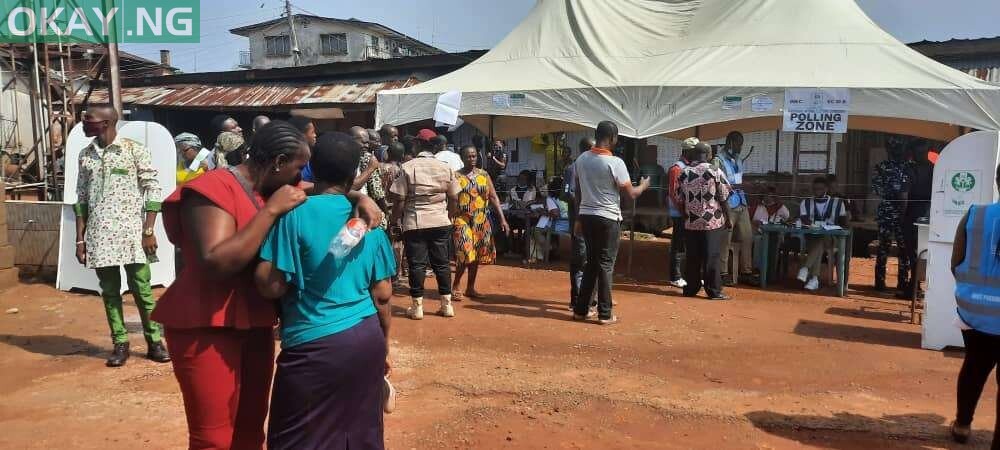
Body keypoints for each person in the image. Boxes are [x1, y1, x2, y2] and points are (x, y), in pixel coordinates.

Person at [151, 121, 381, 449]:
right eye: (299, 168)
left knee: (250, 427)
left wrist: (357, 195)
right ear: (277, 163)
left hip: (253, 320)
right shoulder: (214, 188)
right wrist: (271, 212)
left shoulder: (270, 188)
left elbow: (320, 188)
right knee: (214, 438)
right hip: (206, 323)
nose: (302, 177)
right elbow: (215, 262)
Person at [255, 133, 395, 449]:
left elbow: (270, 285)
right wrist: (384, 346)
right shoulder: (369, 219)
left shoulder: (292, 214)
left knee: (299, 436)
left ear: (312, 171)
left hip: (313, 345)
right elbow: (383, 295)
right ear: (352, 174)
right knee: (359, 433)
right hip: (365, 338)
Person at [73, 104, 169, 367]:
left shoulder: (134, 150)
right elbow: (80, 198)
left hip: (133, 235)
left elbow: (152, 190)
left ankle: (154, 342)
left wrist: (148, 230)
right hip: (99, 235)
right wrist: (80, 239)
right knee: (110, 292)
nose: (84, 123)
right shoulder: (85, 155)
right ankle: (120, 343)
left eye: (88, 120)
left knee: (142, 290)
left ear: (106, 123)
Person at [572, 121, 650, 325]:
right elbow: (631, 194)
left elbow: (578, 192)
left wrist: (579, 218)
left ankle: (581, 310)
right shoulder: (615, 163)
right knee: (606, 264)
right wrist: (643, 185)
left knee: (591, 263)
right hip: (607, 217)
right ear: (613, 137)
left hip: (587, 216)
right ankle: (605, 313)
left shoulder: (581, 159)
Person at [949, 162, 1000, 447]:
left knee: (974, 368)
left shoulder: (975, 215)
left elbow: (955, 262)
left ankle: (962, 426)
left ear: (997, 180)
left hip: (974, 313)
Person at [390, 130, 461, 320]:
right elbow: (454, 196)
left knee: (417, 265)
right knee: (442, 264)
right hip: (440, 220)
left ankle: (417, 307)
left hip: (415, 222)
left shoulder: (408, 166)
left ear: (417, 145)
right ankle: (446, 305)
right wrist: (449, 216)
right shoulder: (445, 167)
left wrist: (394, 221)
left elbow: (399, 199)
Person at [452, 145, 509, 298]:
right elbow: (450, 199)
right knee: (465, 251)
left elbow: (493, 197)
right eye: (468, 156)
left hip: (481, 220)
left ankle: (470, 288)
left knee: (476, 254)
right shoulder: (456, 176)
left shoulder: (484, 175)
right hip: (462, 219)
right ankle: (456, 285)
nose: (471, 159)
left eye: (474, 156)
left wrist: (502, 219)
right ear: (462, 158)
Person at [679, 142, 731, 300]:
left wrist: (686, 215)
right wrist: (728, 218)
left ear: (694, 154)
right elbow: (723, 197)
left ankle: (691, 289)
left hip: (691, 222)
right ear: (709, 155)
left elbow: (680, 198)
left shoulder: (684, 173)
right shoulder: (715, 171)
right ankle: (714, 291)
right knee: (711, 256)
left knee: (693, 256)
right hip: (711, 222)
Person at [712, 131, 756, 285]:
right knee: (725, 239)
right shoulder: (718, 160)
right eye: (738, 143)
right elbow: (718, 183)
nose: (740, 147)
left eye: (741, 144)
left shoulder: (738, 159)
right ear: (730, 142)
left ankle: (746, 271)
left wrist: (743, 186)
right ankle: (723, 273)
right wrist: (743, 185)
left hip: (741, 202)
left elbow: (738, 179)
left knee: (747, 237)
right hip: (727, 204)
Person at [871, 138, 911, 292]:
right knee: (883, 248)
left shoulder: (908, 167)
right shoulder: (881, 167)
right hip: (887, 212)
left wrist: (904, 196)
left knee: (904, 249)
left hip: (904, 213)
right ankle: (879, 283)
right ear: (887, 149)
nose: (896, 150)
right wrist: (896, 193)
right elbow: (876, 188)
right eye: (893, 147)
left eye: (899, 147)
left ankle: (903, 283)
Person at [796, 177, 849, 291]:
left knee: (821, 238)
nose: (817, 191)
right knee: (818, 242)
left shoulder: (838, 203)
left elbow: (843, 222)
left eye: (820, 188)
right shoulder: (805, 202)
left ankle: (806, 268)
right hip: (811, 236)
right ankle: (814, 279)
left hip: (831, 238)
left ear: (826, 189)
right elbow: (804, 219)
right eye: (815, 189)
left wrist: (830, 227)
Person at [565, 137, 596, 312]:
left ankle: (591, 297)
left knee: (592, 259)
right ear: (585, 149)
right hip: (579, 221)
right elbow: (569, 194)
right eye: (592, 148)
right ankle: (576, 298)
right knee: (579, 260)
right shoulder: (573, 168)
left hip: (592, 220)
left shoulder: (593, 167)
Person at [901, 139, 933, 299]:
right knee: (924, 250)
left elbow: (904, 195)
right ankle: (916, 286)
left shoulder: (910, 169)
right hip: (931, 212)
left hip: (913, 212)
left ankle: (914, 287)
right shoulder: (935, 169)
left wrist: (903, 215)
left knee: (913, 251)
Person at [666, 138, 697, 289]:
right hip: (680, 214)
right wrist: (683, 211)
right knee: (678, 245)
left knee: (687, 245)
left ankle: (686, 275)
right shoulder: (677, 169)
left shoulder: (691, 166)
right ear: (687, 151)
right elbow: (674, 194)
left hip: (688, 213)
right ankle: (675, 276)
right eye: (695, 151)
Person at [351, 126, 388, 228]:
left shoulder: (362, 157)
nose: (367, 145)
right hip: (360, 211)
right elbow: (377, 192)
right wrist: (385, 212)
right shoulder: (369, 159)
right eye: (363, 142)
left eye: (368, 142)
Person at [381, 142, 407, 284]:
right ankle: (395, 276)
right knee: (396, 244)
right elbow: (400, 196)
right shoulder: (399, 170)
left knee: (383, 242)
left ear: (387, 153)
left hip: (379, 208)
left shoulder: (378, 167)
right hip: (394, 210)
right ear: (402, 155)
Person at [529, 177, 569, 263]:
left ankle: (545, 250)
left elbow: (555, 213)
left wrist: (544, 212)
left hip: (558, 226)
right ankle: (549, 250)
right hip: (569, 224)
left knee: (534, 230)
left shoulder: (550, 198)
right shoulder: (568, 197)